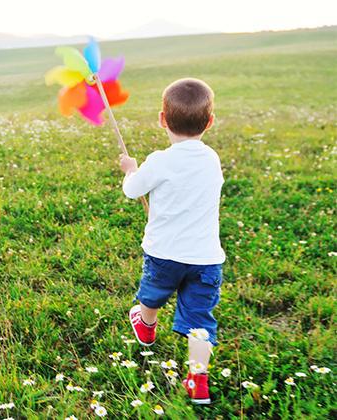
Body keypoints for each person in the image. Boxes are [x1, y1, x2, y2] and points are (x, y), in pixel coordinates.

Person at [119, 78, 225, 404]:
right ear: (209, 121)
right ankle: (198, 381)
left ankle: (147, 324)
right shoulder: (212, 160)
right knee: (199, 320)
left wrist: (130, 170)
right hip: (205, 258)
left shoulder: (160, 160)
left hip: (165, 253)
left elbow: (132, 190)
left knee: (152, 294)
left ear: (162, 119)